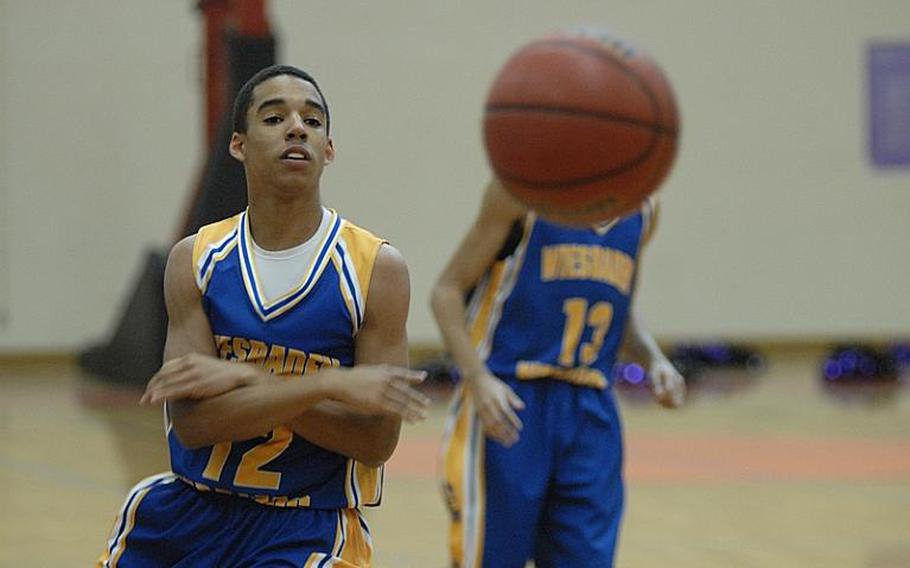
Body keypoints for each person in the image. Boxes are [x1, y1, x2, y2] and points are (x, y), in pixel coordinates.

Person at [98, 64, 429, 567]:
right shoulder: (195, 259)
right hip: (189, 513)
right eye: (274, 118)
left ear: (329, 150)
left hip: (308, 527)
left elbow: (376, 440)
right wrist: (325, 386)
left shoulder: (376, 269)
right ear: (238, 145)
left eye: (313, 122)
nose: (297, 127)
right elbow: (194, 422)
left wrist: (240, 377)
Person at [432, 180, 686, 568]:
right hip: (510, 399)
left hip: (591, 409)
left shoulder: (644, 208)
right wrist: (478, 378)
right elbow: (446, 292)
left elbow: (618, 304)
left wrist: (655, 360)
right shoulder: (520, 192)